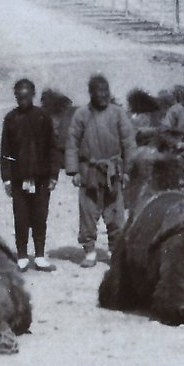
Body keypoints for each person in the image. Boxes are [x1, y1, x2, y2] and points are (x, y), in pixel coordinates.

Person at [64, 74, 138, 268]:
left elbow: (129, 143)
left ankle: (115, 251)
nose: (103, 96)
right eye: (99, 92)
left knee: (115, 213)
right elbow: (72, 142)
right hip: (89, 171)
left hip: (113, 172)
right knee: (88, 212)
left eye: (106, 92)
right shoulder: (81, 114)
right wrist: (74, 171)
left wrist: (129, 170)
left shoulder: (118, 113)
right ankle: (89, 251)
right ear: (91, 94)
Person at [0, 78, 58, 272]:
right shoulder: (10, 119)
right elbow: (5, 150)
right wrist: (6, 178)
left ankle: (40, 256)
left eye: (25, 96)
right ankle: (22, 256)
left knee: (40, 217)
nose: (22, 100)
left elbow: (52, 147)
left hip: (41, 179)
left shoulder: (43, 117)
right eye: (18, 96)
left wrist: (53, 176)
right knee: (21, 218)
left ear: (32, 95)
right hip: (18, 180)